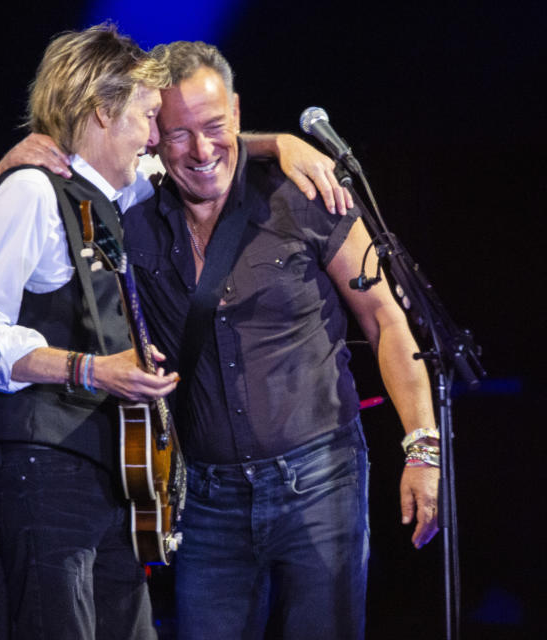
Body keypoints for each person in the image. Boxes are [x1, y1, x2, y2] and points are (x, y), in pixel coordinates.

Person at [0, 24, 354, 640]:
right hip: (36, 465)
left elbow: (203, 150)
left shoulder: (116, 193)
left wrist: (278, 144)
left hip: (100, 474)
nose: (154, 137)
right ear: (101, 115)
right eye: (145, 118)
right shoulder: (31, 191)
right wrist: (89, 369)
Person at [118, 41, 440, 639]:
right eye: (178, 133)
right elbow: (65, 167)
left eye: (215, 126)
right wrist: (29, 153)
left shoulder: (309, 193)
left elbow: (386, 320)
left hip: (321, 485)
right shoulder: (132, 206)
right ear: (153, 135)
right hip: (207, 503)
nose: (201, 149)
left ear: (237, 112)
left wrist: (423, 448)